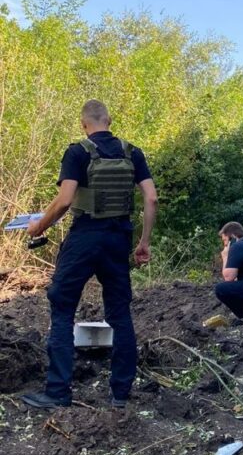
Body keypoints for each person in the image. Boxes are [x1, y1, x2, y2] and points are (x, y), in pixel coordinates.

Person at [22, 100, 158, 410]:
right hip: (118, 239)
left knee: (63, 307)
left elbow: (65, 199)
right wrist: (143, 242)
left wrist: (38, 226)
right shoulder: (132, 152)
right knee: (120, 315)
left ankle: (58, 392)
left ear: (84, 124)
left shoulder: (78, 152)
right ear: (109, 119)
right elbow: (151, 198)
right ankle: (120, 394)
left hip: (85, 236)